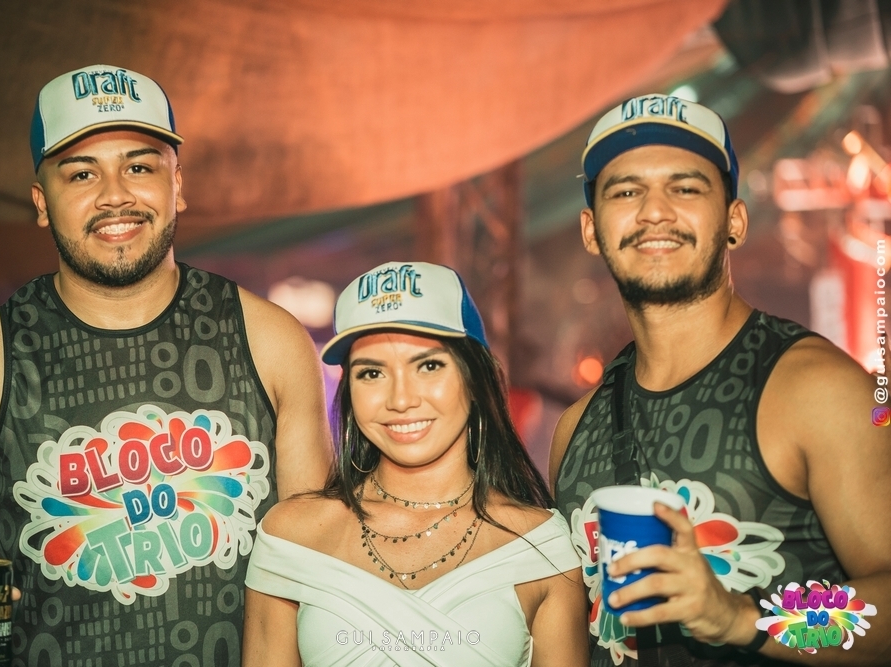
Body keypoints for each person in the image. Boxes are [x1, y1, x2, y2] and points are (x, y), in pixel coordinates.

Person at [0, 64, 332, 664]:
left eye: (139, 167)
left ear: (178, 184)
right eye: (81, 173)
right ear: (42, 203)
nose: (115, 194)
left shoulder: (271, 340)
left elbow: (319, 570)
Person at [549, 93, 891, 666]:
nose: (654, 211)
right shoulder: (575, 428)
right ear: (591, 229)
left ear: (734, 220)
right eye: (626, 192)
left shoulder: (816, 388)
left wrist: (741, 618)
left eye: (685, 188)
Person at [243, 261, 588, 666]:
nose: (401, 399)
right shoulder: (290, 537)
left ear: (475, 378)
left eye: (428, 366)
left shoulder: (541, 548)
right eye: (372, 373)